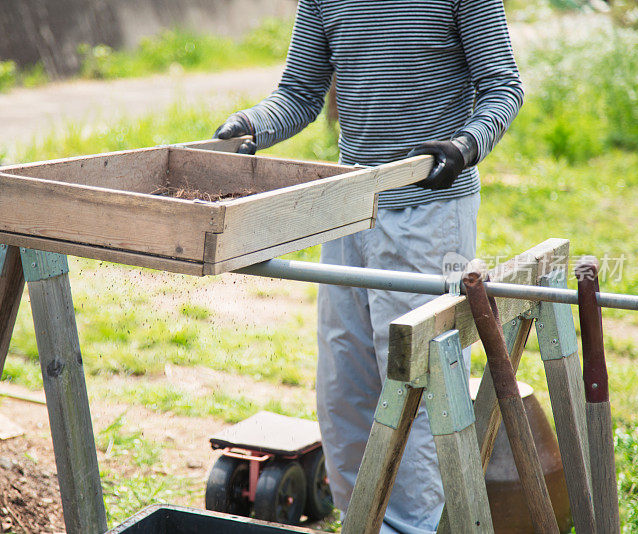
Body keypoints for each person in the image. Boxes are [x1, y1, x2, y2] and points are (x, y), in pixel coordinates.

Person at [214, 2, 523, 532]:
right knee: (345, 387)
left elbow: (503, 86)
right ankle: (364, 522)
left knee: (416, 387)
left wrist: (466, 144)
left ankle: (415, 527)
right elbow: (300, 93)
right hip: (351, 207)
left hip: (430, 212)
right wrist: (251, 125)